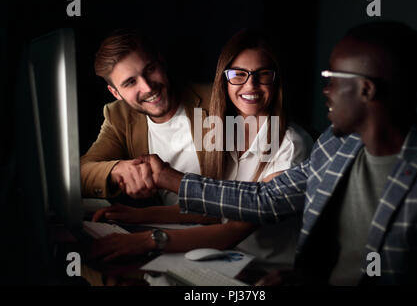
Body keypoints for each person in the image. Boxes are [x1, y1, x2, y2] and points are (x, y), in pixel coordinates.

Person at [144, 21, 417, 285]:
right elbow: (266, 200)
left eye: (332, 77)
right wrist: (172, 180)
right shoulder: (334, 145)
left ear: (366, 90)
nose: (325, 90)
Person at [90, 30, 313, 273]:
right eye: (238, 75)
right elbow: (215, 210)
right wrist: (137, 215)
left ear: (276, 79)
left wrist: (148, 239)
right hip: (221, 259)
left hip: (265, 271)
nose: (250, 85)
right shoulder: (225, 127)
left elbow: (234, 229)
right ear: (224, 79)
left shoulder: (292, 144)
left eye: (263, 75)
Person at [80, 29, 214, 212]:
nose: (148, 87)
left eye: (150, 70)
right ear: (115, 93)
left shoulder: (216, 99)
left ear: (161, 61)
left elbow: (243, 198)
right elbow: (80, 172)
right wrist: (116, 170)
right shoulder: (119, 116)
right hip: (171, 229)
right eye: (130, 82)